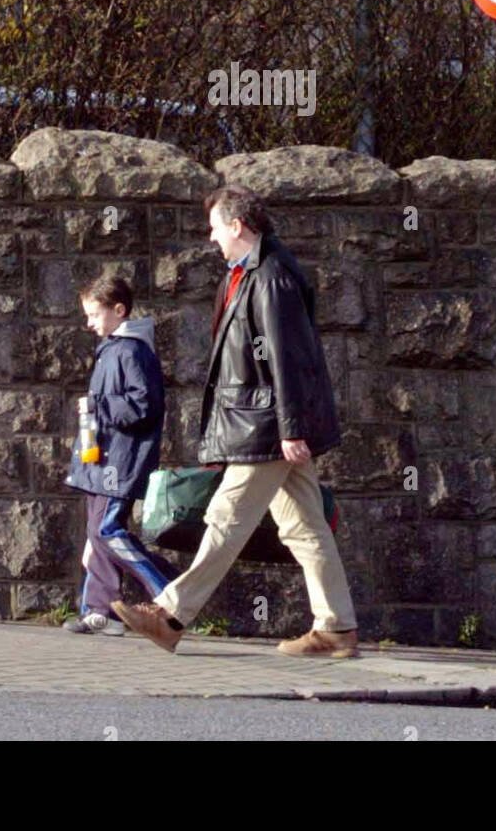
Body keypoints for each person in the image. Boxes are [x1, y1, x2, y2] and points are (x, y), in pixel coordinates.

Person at [114, 186, 359, 657]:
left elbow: (288, 358)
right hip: (267, 424)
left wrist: (291, 429)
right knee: (305, 528)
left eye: (214, 228)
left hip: (266, 429)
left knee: (226, 518)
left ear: (237, 226)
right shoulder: (254, 273)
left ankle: (170, 615)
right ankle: (336, 628)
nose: (211, 239)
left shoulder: (268, 277)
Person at [64, 275, 178, 635]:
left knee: (109, 530)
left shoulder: (131, 350)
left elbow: (144, 406)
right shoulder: (114, 348)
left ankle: (169, 590)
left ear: (119, 310)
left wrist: (97, 405)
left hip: (121, 462)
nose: (89, 323)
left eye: (95, 315)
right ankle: (101, 611)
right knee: (98, 534)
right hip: (102, 460)